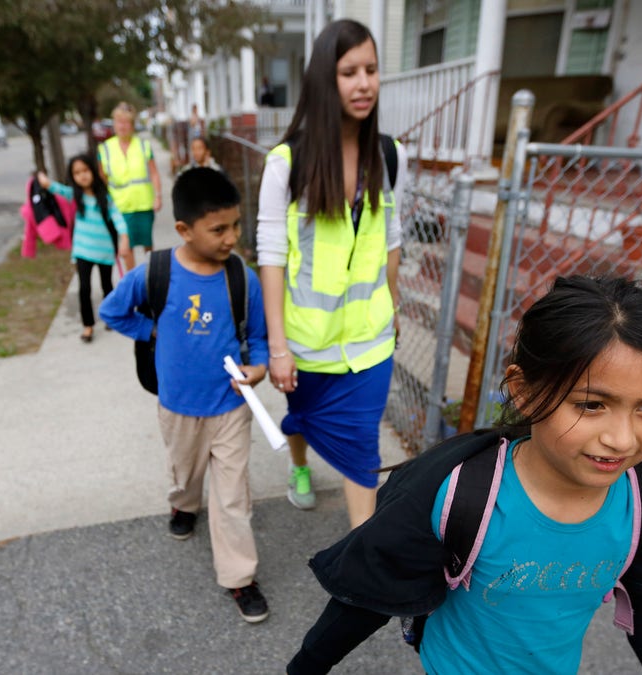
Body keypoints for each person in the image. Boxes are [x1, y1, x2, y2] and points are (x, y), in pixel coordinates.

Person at [286, 276, 642, 673]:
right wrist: (306, 665)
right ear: (523, 392)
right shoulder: (456, 495)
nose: (622, 439)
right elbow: (367, 598)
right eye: (592, 404)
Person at [99, 168, 272, 623]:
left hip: (231, 407)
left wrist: (260, 367)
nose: (231, 237)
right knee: (185, 472)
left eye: (235, 225)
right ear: (184, 229)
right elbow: (112, 311)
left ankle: (240, 577)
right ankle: (184, 503)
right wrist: (152, 329)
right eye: (219, 229)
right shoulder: (155, 272)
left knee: (232, 497)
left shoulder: (241, 277)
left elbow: (260, 335)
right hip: (178, 407)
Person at [257, 19, 409, 528]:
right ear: (326, 79)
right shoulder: (287, 163)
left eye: (371, 69)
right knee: (300, 418)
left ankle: (361, 564)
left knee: (363, 454)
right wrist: (278, 347)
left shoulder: (390, 156)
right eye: (349, 72)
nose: (364, 83)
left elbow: (391, 240)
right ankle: (299, 467)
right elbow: (271, 257)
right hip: (306, 341)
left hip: (369, 342)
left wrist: (392, 303)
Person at [37, 154, 132, 343]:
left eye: (85, 171)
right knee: (84, 288)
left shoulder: (104, 197)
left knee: (107, 286)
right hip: (82, 250)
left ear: (93, 171)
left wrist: (124, 238)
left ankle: (109, 316)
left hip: (104, 250)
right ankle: (88, 325)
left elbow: (117, 217)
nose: (82, 176)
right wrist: (44, 180)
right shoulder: (74, 195)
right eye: (77, 173)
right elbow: (56, 188)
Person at [98, 102, 162, 260]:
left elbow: (154, 173)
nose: (122, 126)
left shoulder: (143, 145)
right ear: (114, 124)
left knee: (147, 244)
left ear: (132, 125)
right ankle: (132, 281)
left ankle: (150, 275)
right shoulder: (105, 148)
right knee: (127, 248)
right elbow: (102, 179)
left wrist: (158, 196)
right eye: (119, 122)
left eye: (126, 122)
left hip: (144, 204)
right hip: (120, 206)